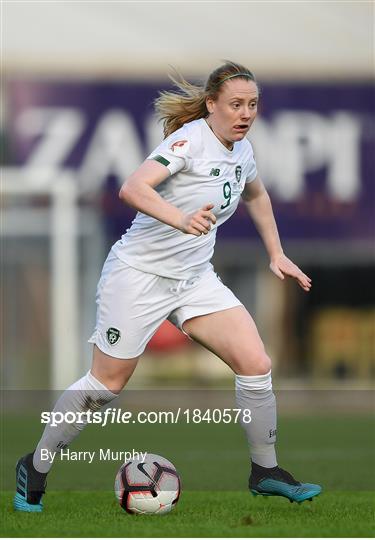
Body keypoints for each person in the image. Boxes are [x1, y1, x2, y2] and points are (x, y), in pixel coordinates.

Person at [14, 61, 321, 512]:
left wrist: (275, 253)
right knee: (105, 385)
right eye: (235, 104)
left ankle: (265, 471)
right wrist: (180, 219)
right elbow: (132, 187)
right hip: (137, 276)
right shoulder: (189, 140)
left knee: (255, 363)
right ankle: (35, 465)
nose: (245, 113)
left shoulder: (242, 149)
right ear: (212, 104)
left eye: (252, 104)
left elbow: (256, 194)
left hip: (194, 279)